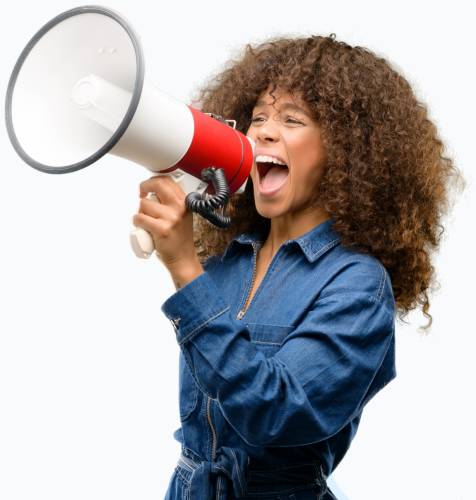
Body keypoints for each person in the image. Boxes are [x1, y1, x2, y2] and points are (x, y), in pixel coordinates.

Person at [132, 34, 464, 499]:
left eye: (292, 120)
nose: (264, 132)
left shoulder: (358, 285)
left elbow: (275, 410)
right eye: (258, 118)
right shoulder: (227, 264)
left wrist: (185, 269)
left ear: (345, 150)